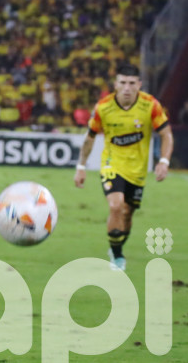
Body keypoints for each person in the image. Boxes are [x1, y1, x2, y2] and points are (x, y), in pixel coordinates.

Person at [74, 63, 174, 271]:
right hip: (112, 164)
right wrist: (81, 165)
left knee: (127, 213)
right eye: (122, 83)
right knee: (116, 206)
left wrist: (164, 161)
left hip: (137, 171)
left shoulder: (150, 105)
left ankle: (117, 246)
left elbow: (166, 134)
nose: (127, 88)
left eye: (131, 83)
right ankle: (117, 256)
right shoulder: (103, 107)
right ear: (116, 84)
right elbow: (89, 138)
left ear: (139, 84)